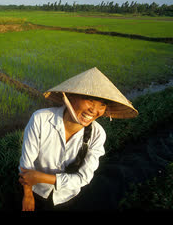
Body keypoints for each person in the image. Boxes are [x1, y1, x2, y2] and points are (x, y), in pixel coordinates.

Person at [18, 67, 138, 211]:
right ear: (72, 96)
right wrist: (28, 195)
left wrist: (40, 177)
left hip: (66, 196)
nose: (94, 110)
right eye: (90, 100)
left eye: (102, 104)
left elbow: (83, 178)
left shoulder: (98, 134)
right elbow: (26, 163)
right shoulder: (41, 119)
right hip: (35, 190)